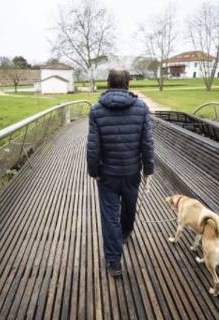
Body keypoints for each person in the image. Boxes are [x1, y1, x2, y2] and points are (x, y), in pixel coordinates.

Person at [87, 69, 154, 277]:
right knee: (129, 206)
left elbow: (92, 146)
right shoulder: (141, 108)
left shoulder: (97, 109)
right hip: (132, 171)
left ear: (108, 84)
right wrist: (148, 169)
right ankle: (125, 233)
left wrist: (94, 171)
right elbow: (147, 143)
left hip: (107, 174)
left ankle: (114, 261)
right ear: (128, 84)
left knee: (109, 216)